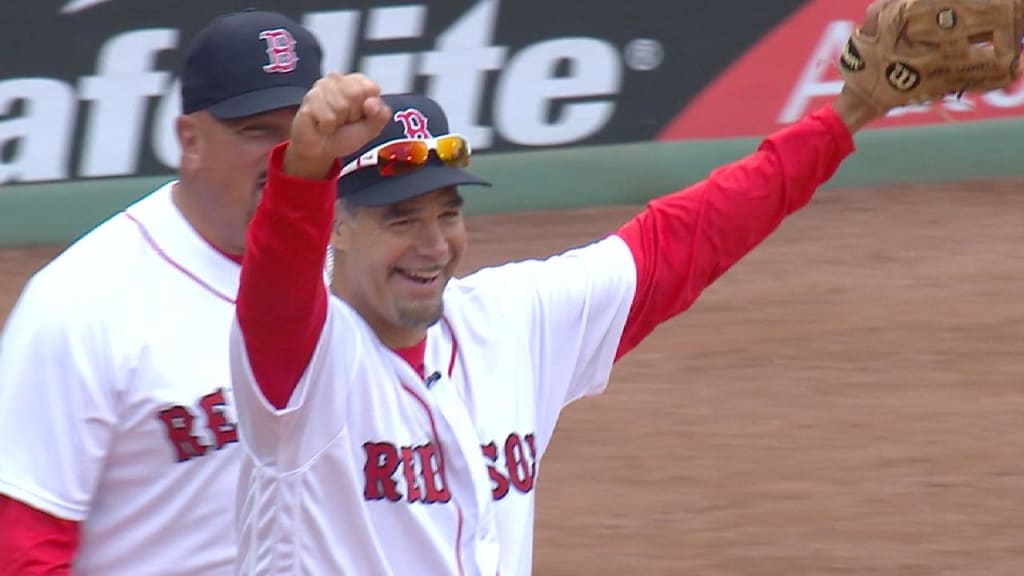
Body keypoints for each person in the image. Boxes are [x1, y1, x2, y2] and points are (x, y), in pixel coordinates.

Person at [0, 10, 322, 574]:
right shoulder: (79, 304)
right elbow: (22, 544)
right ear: (189, 140)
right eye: (257, 132)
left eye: (302, 132)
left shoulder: (353, 267)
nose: (284, 156)